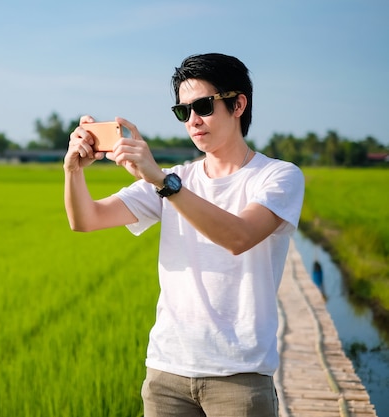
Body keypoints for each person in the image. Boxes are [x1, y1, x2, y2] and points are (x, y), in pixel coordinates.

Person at [63, 53, 305, 417]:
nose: (193, 121)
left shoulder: (277, 176)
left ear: (238, 104)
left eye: (204, 106)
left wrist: (161, 180)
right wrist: (73, 171)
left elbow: (239, 236)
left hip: (239, 376)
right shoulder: (176, 180)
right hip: (167, 373)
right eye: (183, 111)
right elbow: (86, 218)